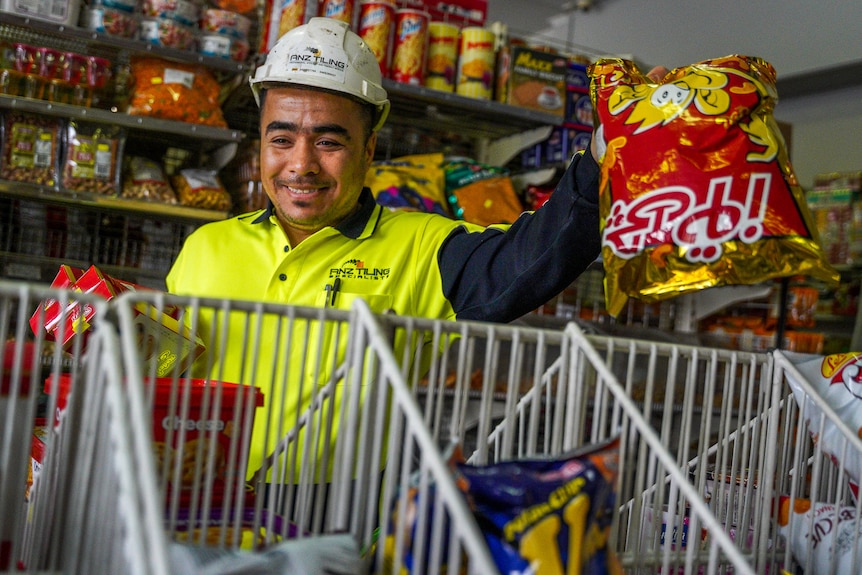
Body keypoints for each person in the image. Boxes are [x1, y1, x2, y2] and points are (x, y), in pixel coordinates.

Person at [166, 17, 660, 477]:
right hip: (196, 507)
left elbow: (529, 260)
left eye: (328, 143)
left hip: (339, 527)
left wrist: (604, 152)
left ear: (369, 149)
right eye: (281, 139)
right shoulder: (205, 247)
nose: (301, 165)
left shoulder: (423, 246)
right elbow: (155, 374)